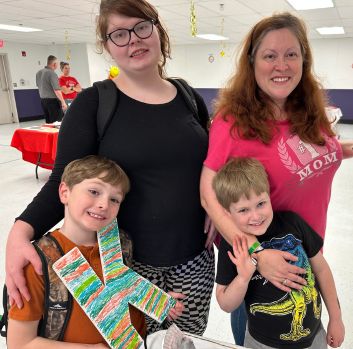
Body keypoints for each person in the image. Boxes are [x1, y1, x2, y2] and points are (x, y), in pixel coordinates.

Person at [6, 0, 214, 336]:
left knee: (185, 343)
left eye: (141, 27)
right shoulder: (94, 103)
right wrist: (20, 232)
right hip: (126, 268)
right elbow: (63, 180)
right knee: (133, 343)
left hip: (194, 262)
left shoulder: (188, 97)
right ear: (107, 46)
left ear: (157, 30)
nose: (133, 40)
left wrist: (215, 204)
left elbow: (209, 167)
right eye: (119, 34)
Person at [200, 12, 353, 345]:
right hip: (260, 266)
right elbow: (208, 193)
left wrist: (347, 148)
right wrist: (255, 255)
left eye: (291, 54)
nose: (281, 65)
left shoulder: (309, 111)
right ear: (253, 63)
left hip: (308, 251)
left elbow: (317, 153)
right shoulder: (232, 121)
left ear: (304, 60)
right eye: (270, 55)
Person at [7, 155, 185, 348]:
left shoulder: (121, 242)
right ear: (64, 192)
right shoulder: (37, 262)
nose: (104, 205)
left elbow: (118, 285)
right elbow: (19, 344)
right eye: (93, 191)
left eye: (114, 199)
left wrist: (154, 299)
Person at [214, 157, 345, 349]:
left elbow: (322, 270)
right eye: (243, 210)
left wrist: (336, 317)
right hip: (261, 344)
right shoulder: (234, 243)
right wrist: (243, 277)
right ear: (227, 213)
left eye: (261, 204)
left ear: (269, 195)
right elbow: (225, 304)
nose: (256, 216)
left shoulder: (293, 223)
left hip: (315, 337)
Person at [36, 55, 67, 123]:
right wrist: (63, 102)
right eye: (57, 64)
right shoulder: (52, 73)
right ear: (54, 64)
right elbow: (57, 90)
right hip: (53, 102)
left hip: (43, 101)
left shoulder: (38, 73)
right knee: (57, 123)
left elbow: (39, 86)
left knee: (48, 123)